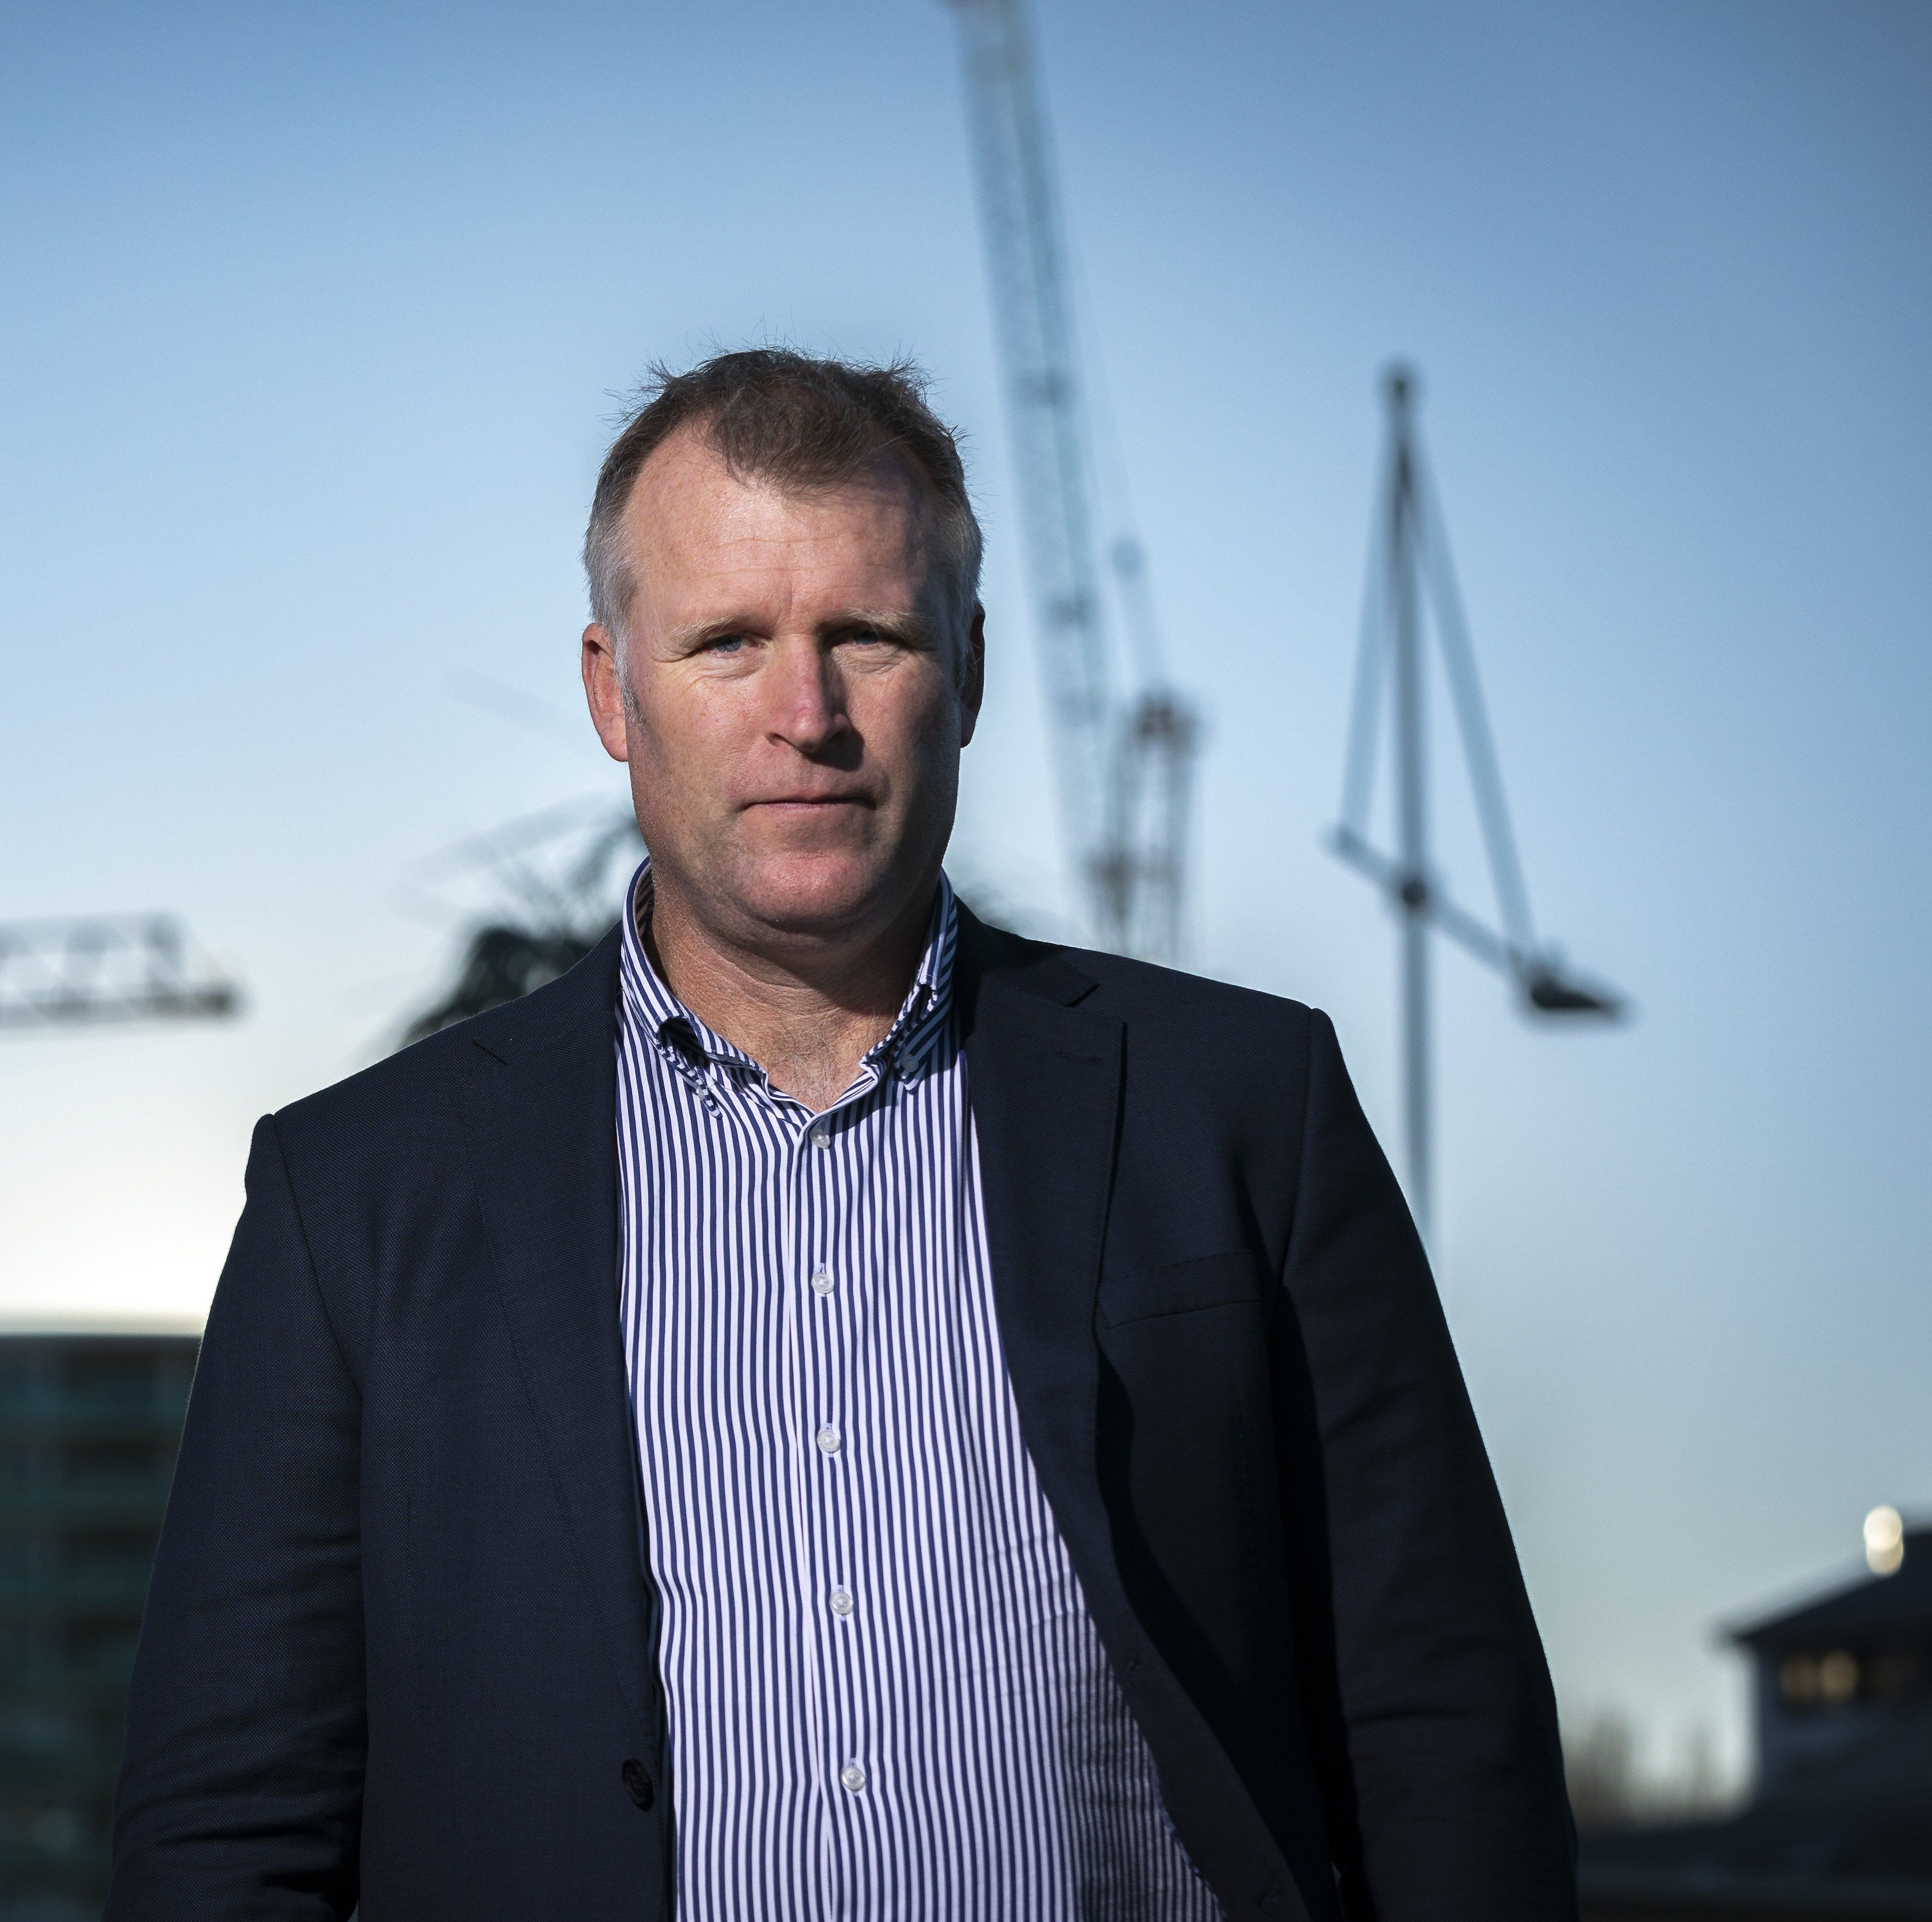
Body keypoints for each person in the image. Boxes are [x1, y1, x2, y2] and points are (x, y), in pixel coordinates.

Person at [106, 349, 1578, 1920]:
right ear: (613, 689)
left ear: (972, 664)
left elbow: (1443, 1730)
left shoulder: (1243, 1109)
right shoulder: (356, 1197)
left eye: (864, 638)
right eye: (728, 642)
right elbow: (228, 1827)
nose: (803, 716)